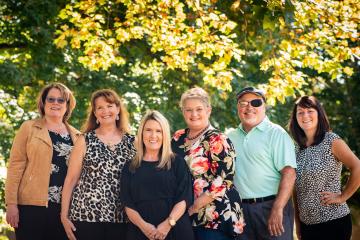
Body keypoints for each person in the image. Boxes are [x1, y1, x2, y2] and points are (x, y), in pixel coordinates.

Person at [5, 83, 80, 240]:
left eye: (61, 100)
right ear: (43, 102)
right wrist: (11, 204)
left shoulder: (78, 136)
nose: (55, 103)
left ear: (68, 105)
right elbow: (15, 167)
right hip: (31, 207)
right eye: (51, 99)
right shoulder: (29, 128)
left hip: (65, 210)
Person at [60, 89, 136, 240]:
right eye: (99, 107)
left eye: (109, 106)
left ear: (118, 109)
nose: (105, 111)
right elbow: (70, 179)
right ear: (95, 113)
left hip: (121, 218)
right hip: (85, 216)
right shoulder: (84, 140)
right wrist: (63, 215)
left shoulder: (132, 142)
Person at [171, 87, 245, 240]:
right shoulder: (177, 138)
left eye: (199, 109)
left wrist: (193, 208)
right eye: (188, 110)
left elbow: (223, 180)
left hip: (215, 218)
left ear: (208, 110)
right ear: (183, 112)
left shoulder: (218, 139)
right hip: (183, 217)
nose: (194, 114)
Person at [227, 86, 297, 240]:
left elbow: (289, 173)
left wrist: (277, 208)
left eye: (256, 103)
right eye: (243, 103)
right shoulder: (229, 137)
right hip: (240, 211)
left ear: (264, 106)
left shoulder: (276, 133)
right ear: (238, 107)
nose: (249, 107)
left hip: (272, 207)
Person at [288, 95, 360, 240]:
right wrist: (298, 222)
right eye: (300, 112)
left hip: (334, 222)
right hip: (307, 226)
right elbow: (296, 191)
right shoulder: (296, 149)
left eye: (310, 111)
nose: (305, 115)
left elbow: (357, 167)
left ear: (318, 114)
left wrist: (342, 197)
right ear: (295, 118)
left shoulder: (331, 140)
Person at [120, 110, 195, 240]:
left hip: (175, 231)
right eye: (148, 130)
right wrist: (144, 227)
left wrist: (167, 224)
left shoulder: (177, 162)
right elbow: (127, 203)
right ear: (142, 133)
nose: (153, 135)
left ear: (165, 134)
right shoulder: (130, 167)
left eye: (158, 131)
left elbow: (184, 198)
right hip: (140, 233)